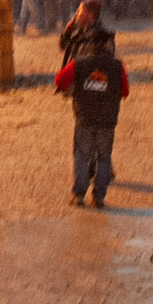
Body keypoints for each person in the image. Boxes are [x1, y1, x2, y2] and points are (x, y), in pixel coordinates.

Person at [54, 30, 128, 209]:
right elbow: (125, 91)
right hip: (108, 120)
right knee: (104, 158)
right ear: (107, 44)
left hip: (84, 117)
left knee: (81, 156)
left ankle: (79, 195)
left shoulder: (79, 64)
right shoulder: (117, 66)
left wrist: (76, 88)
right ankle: (99, 197)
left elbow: (59, 81)